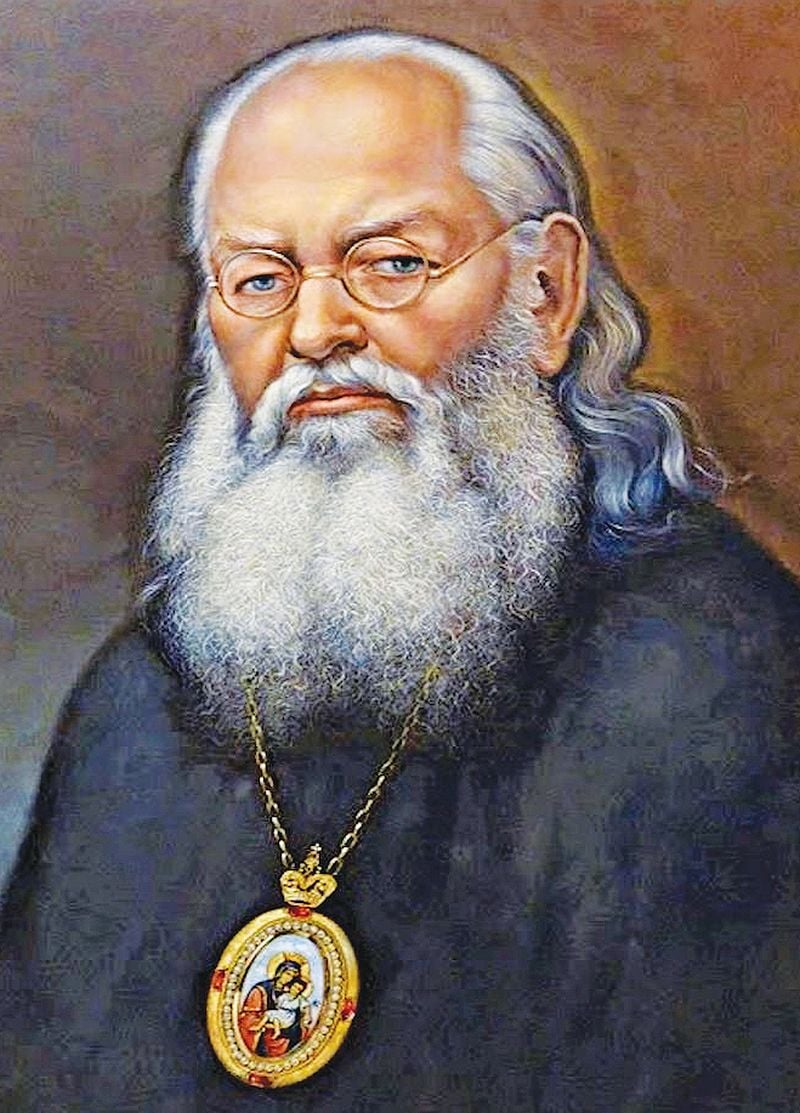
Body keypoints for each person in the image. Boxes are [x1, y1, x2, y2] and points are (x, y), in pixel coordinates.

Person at [2, 27, 799, 1113]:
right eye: (260, 279)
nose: (315, 330)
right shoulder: (137, 701)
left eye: (390, 263)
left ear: (548, 293)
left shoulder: (715, 670)